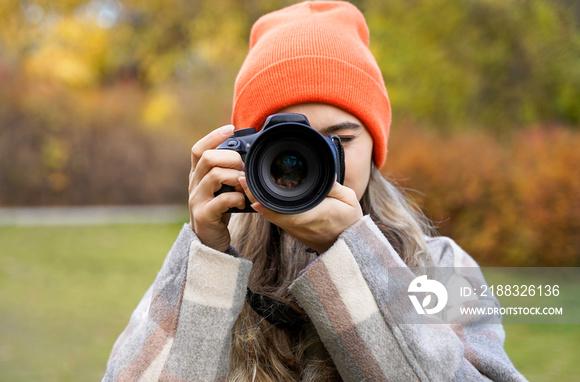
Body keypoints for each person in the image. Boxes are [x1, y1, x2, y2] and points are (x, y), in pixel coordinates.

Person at [102, 2, 526, 381]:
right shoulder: (214, 260)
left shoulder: (439, 264)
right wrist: (207, 256)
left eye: (338, 141)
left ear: (376, 148)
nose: (306, 163)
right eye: (288, 144)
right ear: (245, 151)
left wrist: (352, 255)